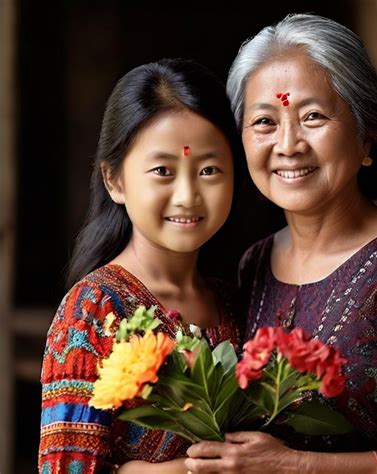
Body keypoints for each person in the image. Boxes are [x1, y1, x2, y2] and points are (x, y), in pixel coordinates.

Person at [185, 13, 377, 474]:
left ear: (366, 135)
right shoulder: (254, 265)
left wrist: (296, 464)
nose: (288, 144)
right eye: (264, 121)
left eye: (313, 117)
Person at [38, 58, 244, 473]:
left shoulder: (233, 299)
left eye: (209, 170)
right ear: (114, 180)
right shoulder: (93, 312)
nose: (188, 195)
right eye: (163, 171)